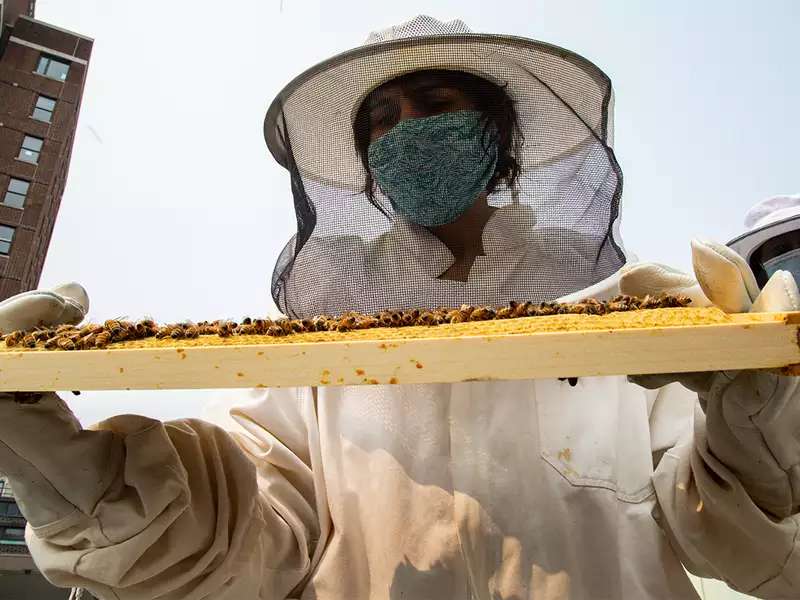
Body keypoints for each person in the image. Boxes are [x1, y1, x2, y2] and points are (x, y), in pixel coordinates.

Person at [1, 15, 799, 600]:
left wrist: (753, 424)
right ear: (369, 169)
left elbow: (733, 534)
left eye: (434, 102)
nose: (405, 130)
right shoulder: (314, 352)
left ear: (498, 138)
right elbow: (252, 539)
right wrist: (86, 486)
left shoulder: (624, 321)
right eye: (382, 121)